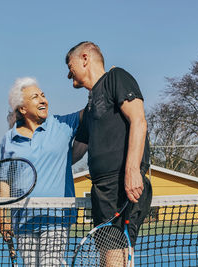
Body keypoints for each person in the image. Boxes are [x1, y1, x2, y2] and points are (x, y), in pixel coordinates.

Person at [66, 41, 152, 266]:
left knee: (114, 255)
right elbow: (79, 147)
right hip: (102, 190)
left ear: (85, 58)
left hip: (121, 185)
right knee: (107, 255)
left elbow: (139, 121)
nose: (68, 74)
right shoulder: (91, 102)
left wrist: (132, 170)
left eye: (70, 65)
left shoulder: (116, 77)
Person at [0, 77, 82, 266]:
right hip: (23, 222)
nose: (43, 100)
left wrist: (103, 83)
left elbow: (92, 111)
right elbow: (5, 180)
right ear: (22, 108)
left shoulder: (63, 125)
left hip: (56, 218)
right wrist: (3, 215)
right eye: (35, 97)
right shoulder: (8, 139)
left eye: (43, 95)